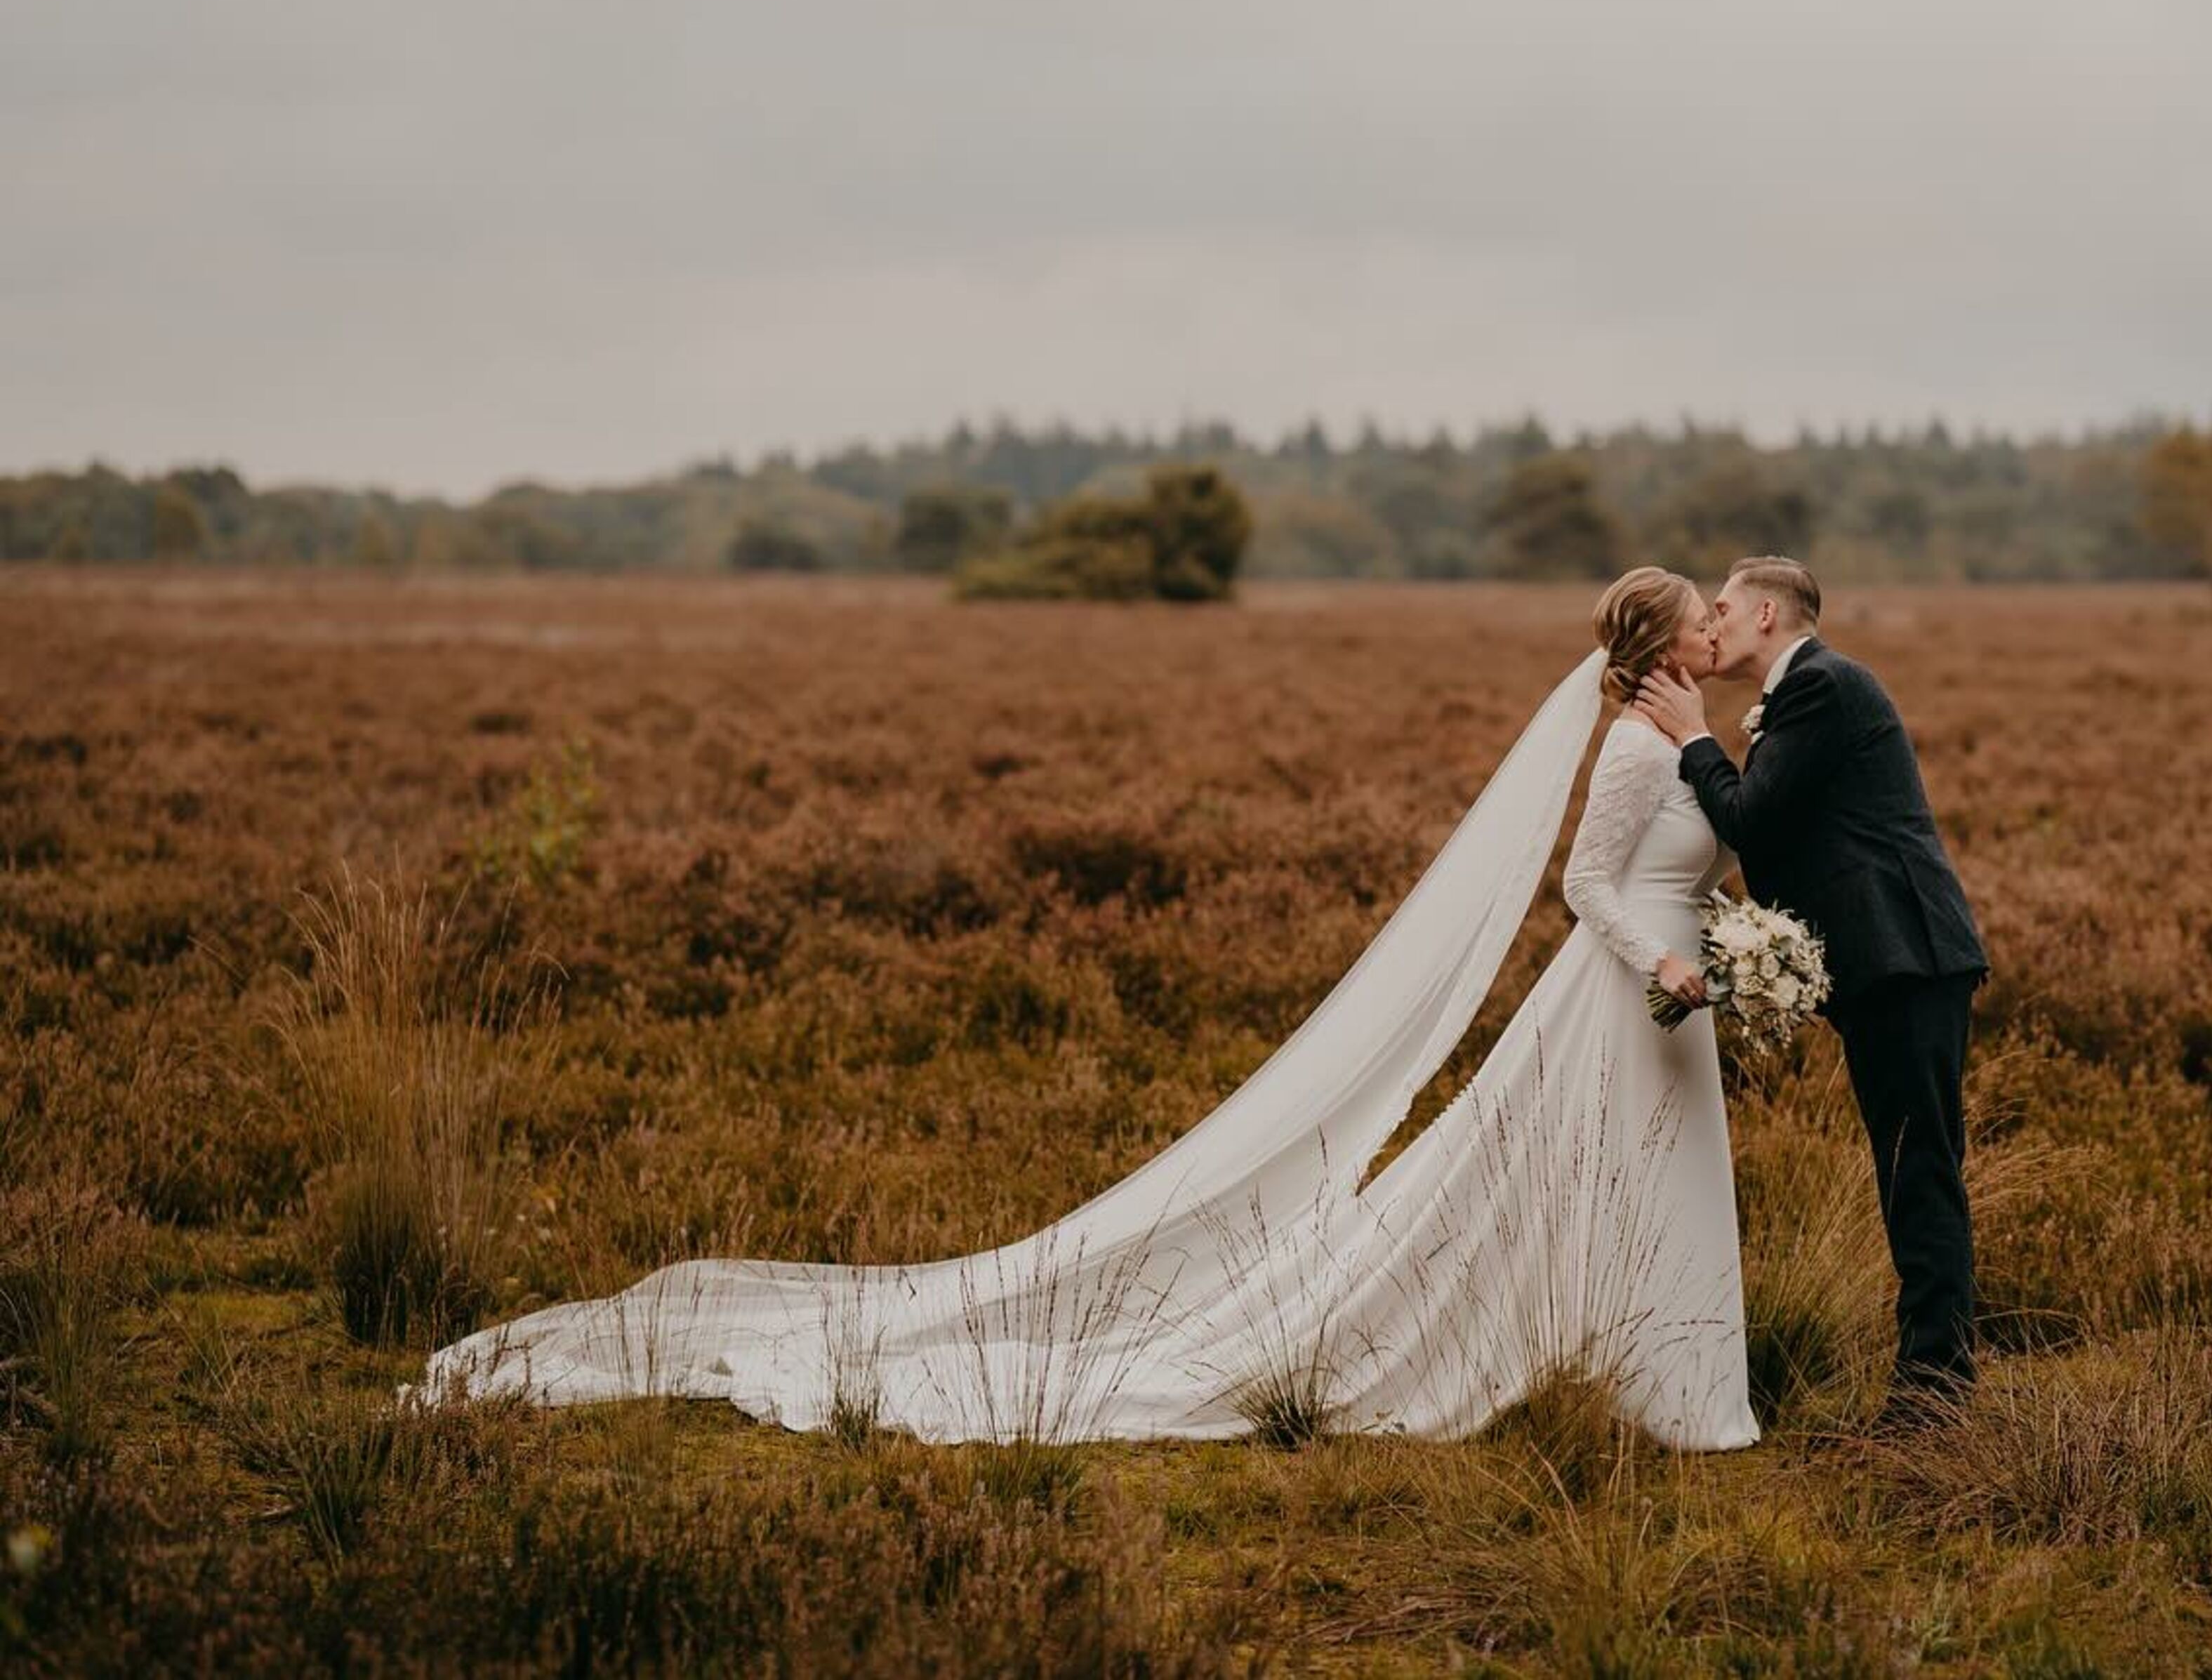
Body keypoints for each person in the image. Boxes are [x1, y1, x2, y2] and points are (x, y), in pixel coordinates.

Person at [411, 567, 1762, 1450]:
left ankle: (1672, 1384)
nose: (1718, 618)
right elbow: (1590, 881)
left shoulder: (1681, 731)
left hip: (1668, 992)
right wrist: (1662, 962)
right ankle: (1640, 1384)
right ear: (1667, 644)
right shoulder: (1639, 747)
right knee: (1580, 1175)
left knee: (1644, 1184)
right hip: (1632, 992)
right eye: (1705, 612)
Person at [1634, 556, 1988, 1424]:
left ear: (1764, 614)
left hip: (1909, 959)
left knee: (1919, 1171)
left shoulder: (1822, 687)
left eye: (1720, 608)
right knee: (1911, 1165)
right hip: (1889, 967)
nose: (1711, 623)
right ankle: (1935, 1377)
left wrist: (1690, 738)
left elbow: (1752, 820)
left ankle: (1935, 1393)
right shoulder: (1803, 693)